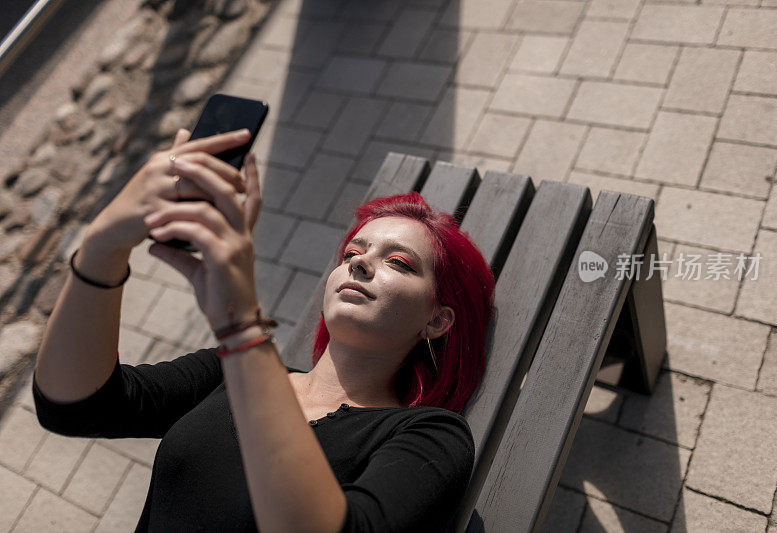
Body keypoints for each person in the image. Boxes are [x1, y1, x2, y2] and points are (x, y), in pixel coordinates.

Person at [31, 128, 496, 532]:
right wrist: (102, 246)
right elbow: (75, 406)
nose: (361, 264)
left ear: (437, 320)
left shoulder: (431, 436)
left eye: (398, 262)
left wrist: (240, 326)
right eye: (352, 253)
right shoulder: (226, 374)